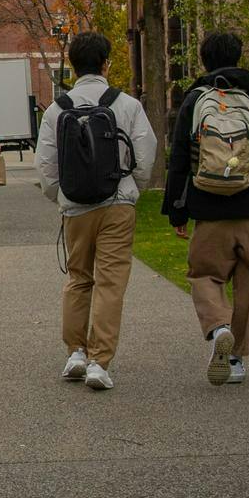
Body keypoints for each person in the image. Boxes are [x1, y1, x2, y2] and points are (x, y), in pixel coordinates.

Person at [164, 31, 249, 387]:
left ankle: (218, 326)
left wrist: (177, 211)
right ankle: (235, 357)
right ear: (239, 57)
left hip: (209, 208)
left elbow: (178, 161)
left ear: (204, 61)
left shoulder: (194, 101)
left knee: (205, 275)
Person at [35, 32, 157, 391]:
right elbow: (145, 157)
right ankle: (99, 361)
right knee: (110, 282)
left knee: (78, 277)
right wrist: (132, 185)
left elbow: (46, 167)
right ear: (106, 63)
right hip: (117, 201)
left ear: (72, 67)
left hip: (76, 208)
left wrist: (63, 195)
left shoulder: (57, 110)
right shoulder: (128, 104)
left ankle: (75, 350)